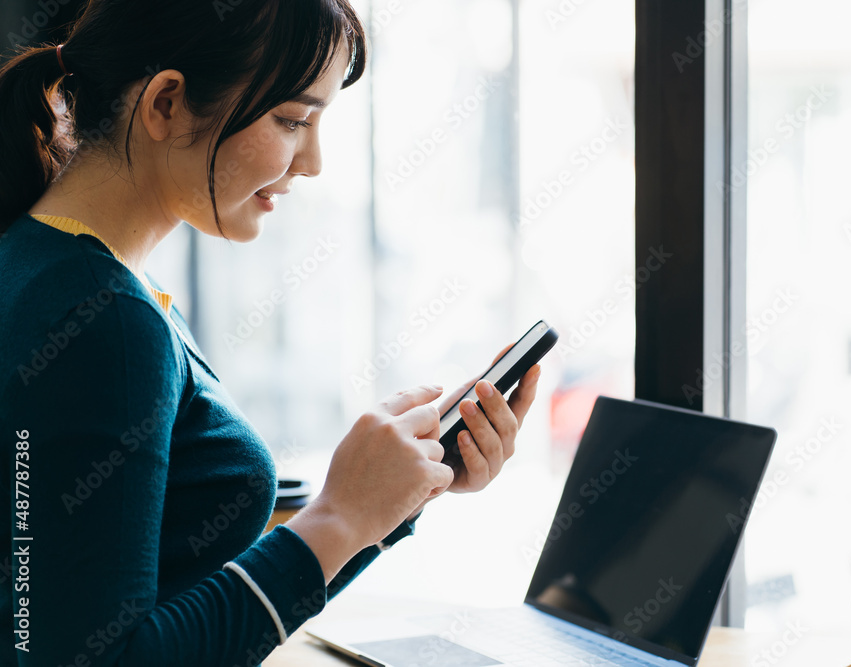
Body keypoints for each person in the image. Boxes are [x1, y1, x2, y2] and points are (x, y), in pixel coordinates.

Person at [0, 1, 540, 665]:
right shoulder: (104, 321)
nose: (311, 160)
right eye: (292, 120)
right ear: (166, 103)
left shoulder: (49, 265)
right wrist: (340, 517)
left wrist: (387, 500)